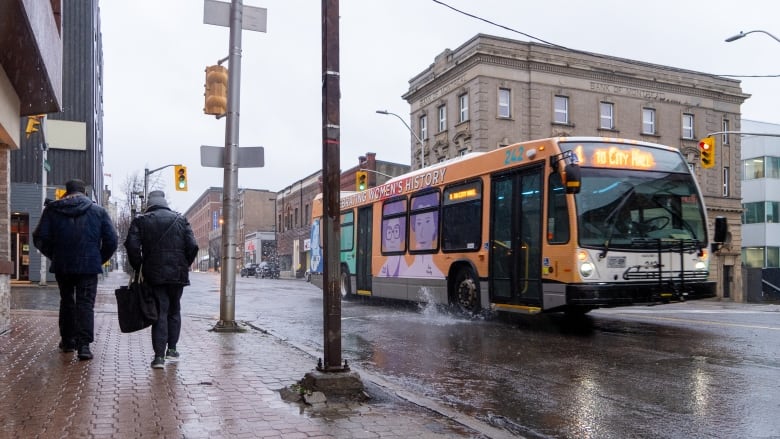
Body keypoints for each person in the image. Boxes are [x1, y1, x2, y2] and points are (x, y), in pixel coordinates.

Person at [33, 179, 118, 361]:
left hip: (63, 265)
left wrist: (54, 255)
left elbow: (39, 237)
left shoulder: (53, 210)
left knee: (67, 301)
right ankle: (84, 346)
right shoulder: (98, 211)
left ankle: (68, 341)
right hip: (88, 266)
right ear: (84, 193)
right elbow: (112, 240)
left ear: (66, 192)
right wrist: (98, 258)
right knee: (85, 304)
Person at [125, 190, 198, 369]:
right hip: (177, 275)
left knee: (160, 312)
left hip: (154, 275)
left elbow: (132, 246)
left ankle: (158, 357)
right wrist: (184, 264)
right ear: (165, 202)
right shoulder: (180, 219)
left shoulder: (141, 220)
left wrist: (140, 267)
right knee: (174, 310)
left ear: (149, 203)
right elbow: (193, 246)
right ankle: (172, 349)